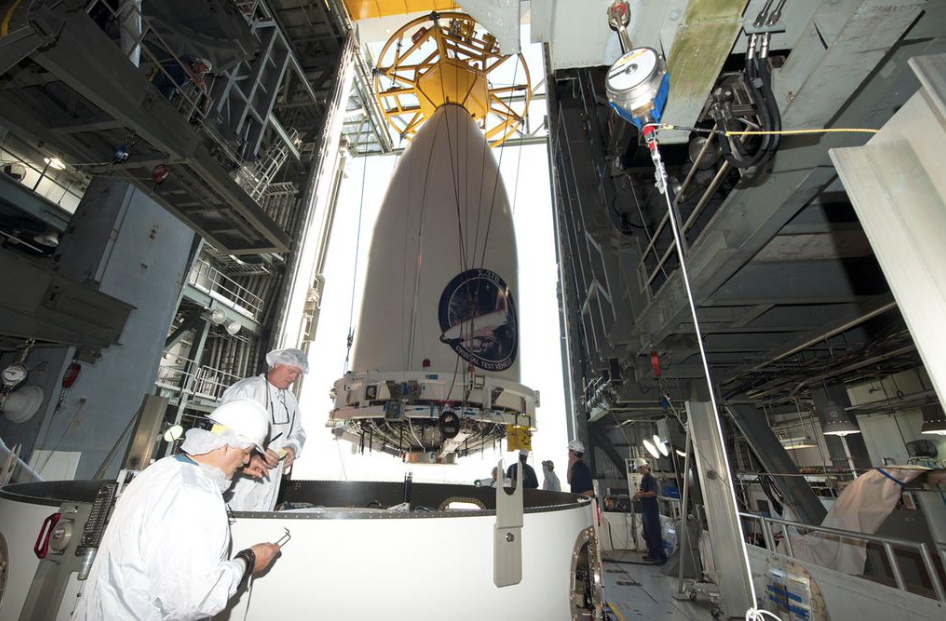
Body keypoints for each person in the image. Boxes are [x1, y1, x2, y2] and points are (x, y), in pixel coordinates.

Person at [72, 399, 281, 620]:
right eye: (247, 451)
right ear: (228, 444)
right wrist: (248, 561)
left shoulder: (162, 470)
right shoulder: (197, 494)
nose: (246, 460)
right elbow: (195, 598)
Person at [221, 347, 308, 511]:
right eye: (291, 371)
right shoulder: (248, 389)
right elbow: (224, 431)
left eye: (298, 374)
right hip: (242, 473)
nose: (294, 378)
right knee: (234, 514)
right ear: (276, 365)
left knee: (261, 519)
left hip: (271, 476)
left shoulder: (290, 399)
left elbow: (298, 431)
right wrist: (250, 455)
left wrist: (292, 447)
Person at [633, 457, 667, 563]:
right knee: (648, 532)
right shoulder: (644, 479)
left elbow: (653, 493)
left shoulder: (651, 478)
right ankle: (652, 554)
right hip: (646, 508)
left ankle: (660, 556)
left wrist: (641, 495)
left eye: (638, 468)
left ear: (643, 467)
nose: (638, 471)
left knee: (654, 532)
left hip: (651, 508)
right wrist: (639, 495)